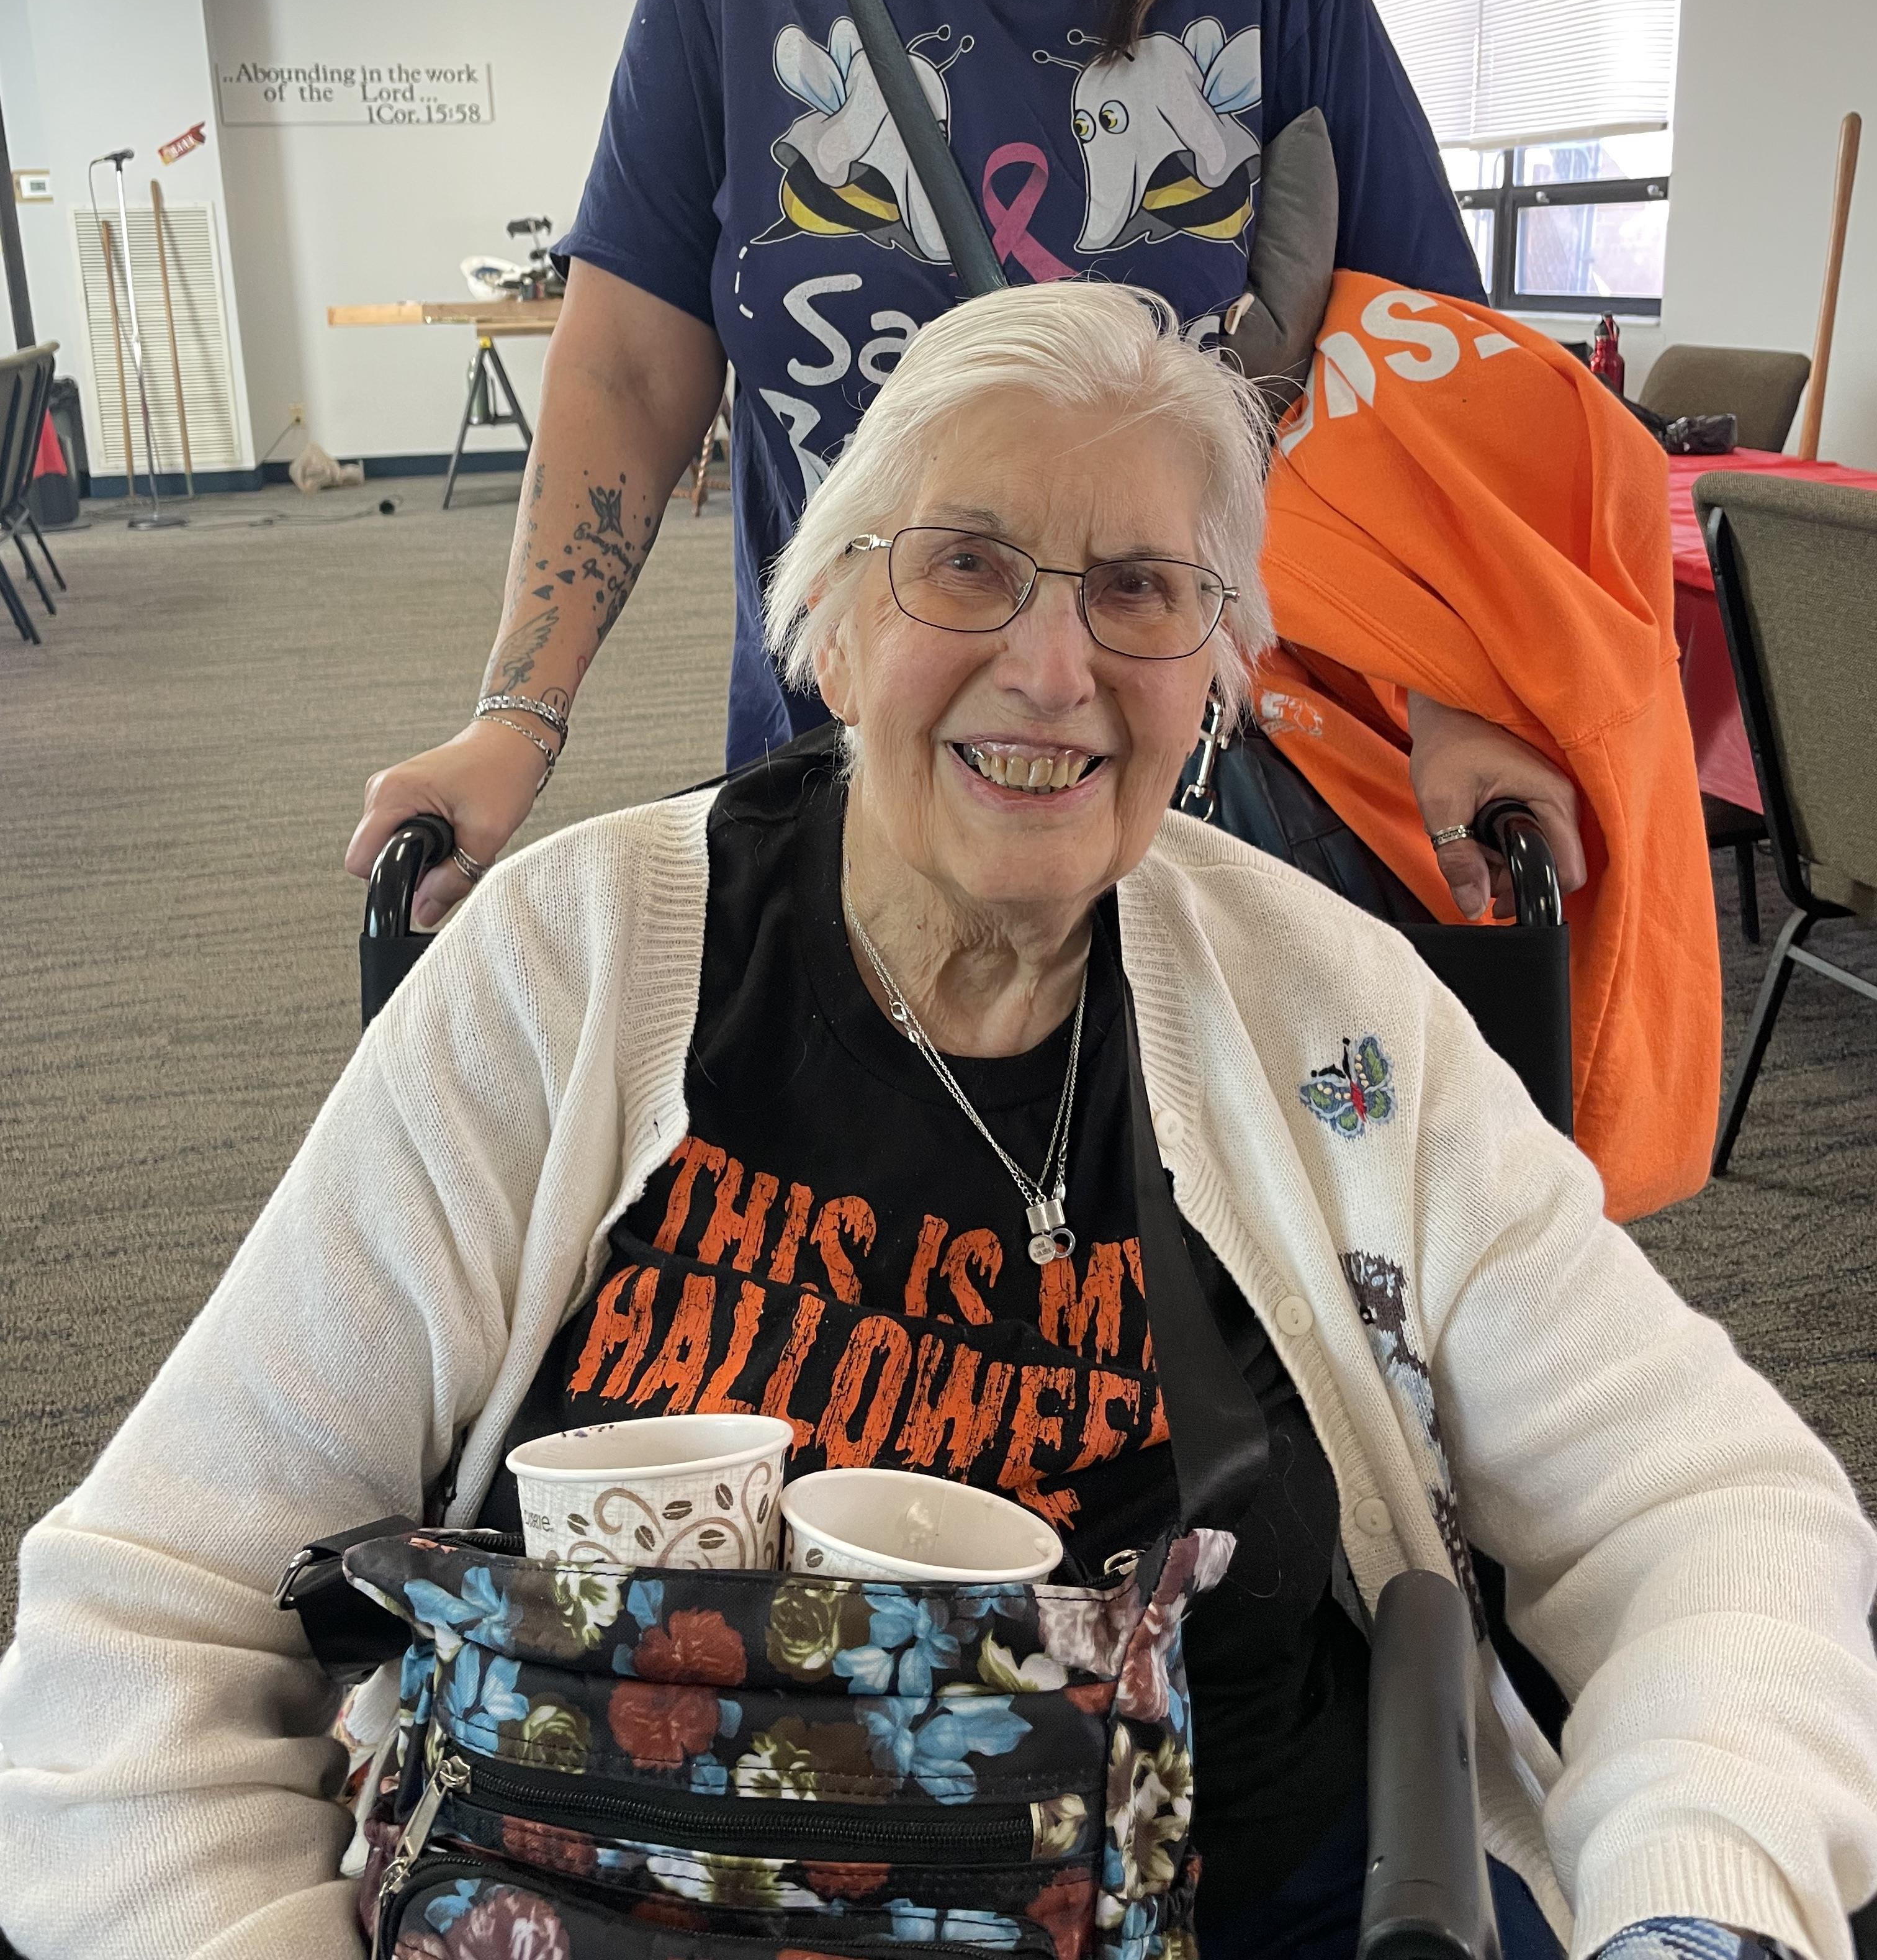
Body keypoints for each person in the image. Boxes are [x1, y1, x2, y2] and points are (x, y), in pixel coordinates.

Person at [3, 286, 1871, 1960]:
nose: (1052, 669)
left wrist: (1701, 1902)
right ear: (823, 622)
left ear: (1220, 676)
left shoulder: (1328, 1012)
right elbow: (152, 1604)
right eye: (965, 565)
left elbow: (1707, 1508)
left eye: (1141, 590)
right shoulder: (582, 957)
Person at [345, 0, 1585, 950]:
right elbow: (620, 374)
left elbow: (1429, 363)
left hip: (1180, 803)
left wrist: (1452, 701)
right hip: (848, 799)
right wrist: (517, 717)